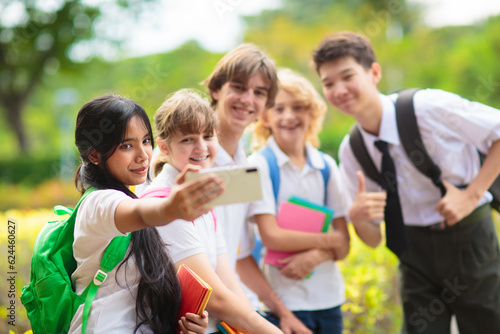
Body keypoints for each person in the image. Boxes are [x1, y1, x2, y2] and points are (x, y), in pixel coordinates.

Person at [312, 30, 500, 334]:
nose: (339, 90)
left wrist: (470, 196)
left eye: (348, 76)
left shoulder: (429, 107)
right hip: (413, 252)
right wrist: (359, 219)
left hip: (469, 240)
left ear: (374, 72)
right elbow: (372, 239)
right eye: (328, 83)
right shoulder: (352, 150)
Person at [69, 94, 224, 334]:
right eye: (126, 146)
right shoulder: (98, 204)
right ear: (94, 155)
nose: (143, 155)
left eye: (146, 141)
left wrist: (187, 324)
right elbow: (143, 214)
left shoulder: (131, 196)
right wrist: (172, 207)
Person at [147, 89, 283, 334]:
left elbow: (228, 283)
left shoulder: (200, 200)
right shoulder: (164, 205)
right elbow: (216, 297)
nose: (202, 147)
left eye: (208, 136)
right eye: (187, 139)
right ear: (164, 147)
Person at [203, 44, 313, 334]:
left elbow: (238, 255)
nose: (247, 99)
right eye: (238, 87)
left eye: (259, 92)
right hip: (198, 318)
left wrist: (283, 314)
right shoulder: (190, 159)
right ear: (216, 89)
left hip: (237, 316)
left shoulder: (246, 166)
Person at [246, 68, 350, 334]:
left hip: (329, 300)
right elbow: (272, 237)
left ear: (312, 113)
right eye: (278, 109)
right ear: (265, 116)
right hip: (284, 303)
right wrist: (329, 242)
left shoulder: (326, 166)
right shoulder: (260, 165)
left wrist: (316, 255)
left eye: (298, 107)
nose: (289, 116)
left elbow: (345, 244)